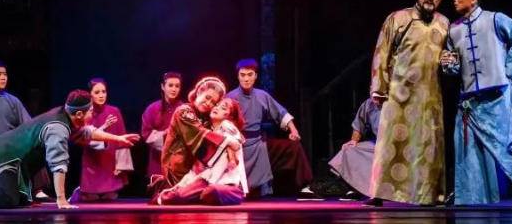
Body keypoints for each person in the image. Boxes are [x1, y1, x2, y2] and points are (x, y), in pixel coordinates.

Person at [0, 89, 139, 209]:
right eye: (89, 111)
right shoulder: (58, 127)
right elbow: (58, 164)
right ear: (79, 114)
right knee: (6, 199)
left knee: (19, 200)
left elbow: (88, 132)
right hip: (1, 155)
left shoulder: (66, 116)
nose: (91, 114)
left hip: (12, 159)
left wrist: (118, 138)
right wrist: (61, 200)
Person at [440, 0, 512, 207]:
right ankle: (471, 197)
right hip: (470, 99)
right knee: (468, 150)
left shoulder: (494, 19)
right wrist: (449, 65)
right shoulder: (454, 29)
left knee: (506, 144)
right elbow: (454, 67)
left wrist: (510, 70)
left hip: (498, 95)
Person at [368, 0, 449, 206]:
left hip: (430, 94)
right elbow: (382, 51)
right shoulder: (398, 18)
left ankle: (428, 195)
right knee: (391, 144)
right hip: (399, 92)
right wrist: (379, 87)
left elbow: (449, 54)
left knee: (428, 146)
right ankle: (379, 194)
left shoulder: (444, 23)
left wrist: (449, 60)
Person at [226, 59, 311, 197]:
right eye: (243, 75)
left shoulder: (262, 95)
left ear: (255, 76)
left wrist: (294, 130)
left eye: (250, 74)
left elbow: (281, 113)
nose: (246, 79)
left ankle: (304, 186)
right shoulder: (230, 97)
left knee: (293, 147)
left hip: (258, 143)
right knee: (248, 192)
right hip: (239, 146)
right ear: (238, 76)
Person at [155, 76, 243, 204]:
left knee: (209, 190)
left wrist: (230, 151)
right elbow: (200, 134)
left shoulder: (208, 118)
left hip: (199, 171)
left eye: (213, 102)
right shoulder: (184, 112)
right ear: (199, 92)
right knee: (190, 193)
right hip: (178, 170)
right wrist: (228, 142)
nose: (209, 103)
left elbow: (230, 141)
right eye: (207, 97)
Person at [70, 78, 133, 202]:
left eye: (104, 92)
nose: (101, 95)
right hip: (92, 161)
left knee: (110, 197)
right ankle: (80, 191)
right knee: (90, 198)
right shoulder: (86, 113)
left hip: (109, 162)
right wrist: (104, 127)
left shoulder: (114, 111)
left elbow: (122, 138)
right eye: (97, 92)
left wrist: (122, 165)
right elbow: (86, 137)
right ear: (90, 94)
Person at [327, 96, 382, 199]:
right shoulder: (369, 103)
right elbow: (359, 125)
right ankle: (354, 188)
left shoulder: (395, 104)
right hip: (377, 144)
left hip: (396, 147)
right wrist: (354, 140)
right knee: (349, 150)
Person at [141, 72, 184, 186]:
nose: (174, 89)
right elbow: (146, 135)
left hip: (179, 161)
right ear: (162, 87)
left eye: (177, 86)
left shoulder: (184, 109)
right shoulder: (152, 109)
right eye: (170, 85)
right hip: (157, 162)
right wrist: (165, 133)